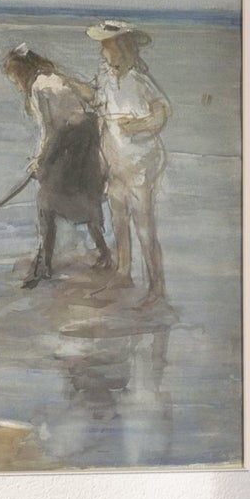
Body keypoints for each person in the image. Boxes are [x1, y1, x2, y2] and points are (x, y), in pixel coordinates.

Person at [0, 45, 112, 286]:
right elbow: (93, 99)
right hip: (87, 140)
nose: (16, 83)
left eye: (14, 78)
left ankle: (45, 265)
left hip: (67, 143)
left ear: (21, 72)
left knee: (46, 202)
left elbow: (50, 128)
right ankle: (104, 253)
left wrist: (40, 160)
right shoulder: (57, 78)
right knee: (86, 197)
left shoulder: (38, 87)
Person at [85, 19, 170, 304]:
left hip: (139, 163)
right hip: (114, 160)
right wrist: (65, 81)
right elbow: (95, 101)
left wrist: (141, 124)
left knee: (144, 224)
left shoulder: (138, 80)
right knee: (119, 218)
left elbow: (161, 112)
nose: (103, 54)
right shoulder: (106, 78)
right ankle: (124, 273)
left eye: (107, 48)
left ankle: (156, 286)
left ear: (122, 49)